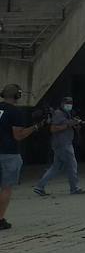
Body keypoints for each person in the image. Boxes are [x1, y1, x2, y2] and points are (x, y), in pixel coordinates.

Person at [0, 84, 45, 231]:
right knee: (6, 188)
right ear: (17, 96)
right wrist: (35, 127)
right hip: (8, 153)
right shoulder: (15, 112)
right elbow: (18, 135)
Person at [34, 96, 85, 196]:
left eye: (70, 103)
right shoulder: (58, 113)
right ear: (62, 103)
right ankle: (74, 188)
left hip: (62, 143)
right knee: (72, 165)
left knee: (56, 167)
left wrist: (76, 124)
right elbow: (53, 129)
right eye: (67, 103)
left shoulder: (67, 113)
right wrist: (68, 125)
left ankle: (39, 186)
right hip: (62, 144)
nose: (69, 104)